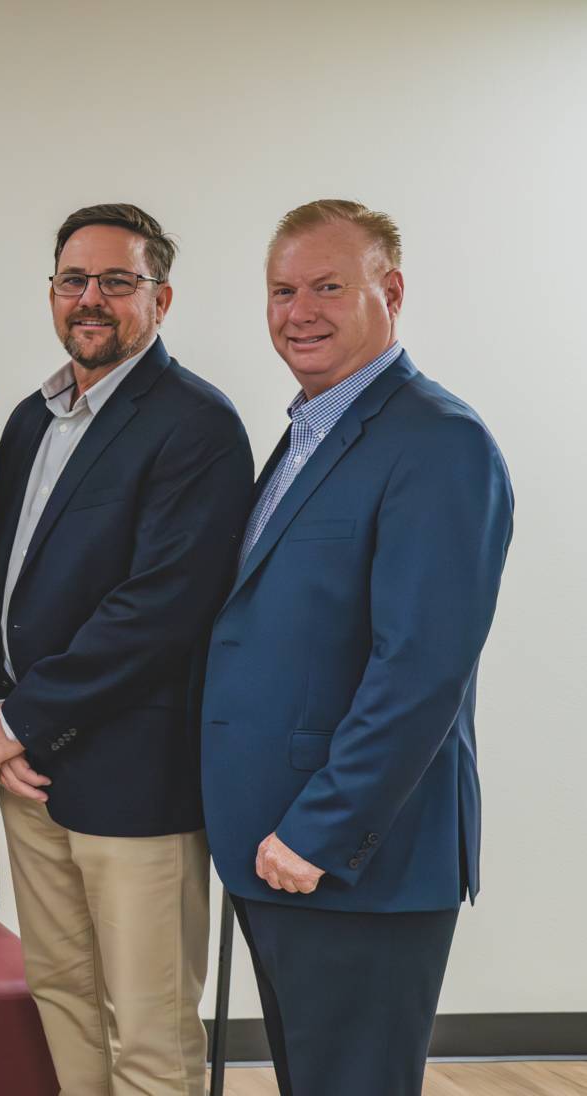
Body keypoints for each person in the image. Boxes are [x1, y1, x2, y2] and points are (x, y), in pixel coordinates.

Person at [203, 199, 512, 1096]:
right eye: (282, 291)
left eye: (328, 287)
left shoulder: (440, 440)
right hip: (277, 849)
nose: (300, 311)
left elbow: (421, 670)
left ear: (392, 292)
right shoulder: (310, 431)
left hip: (351, 859)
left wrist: (320, 831)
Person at [0, 204, 252, 1095]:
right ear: (52, 292)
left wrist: (21, 717)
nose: (91, 298)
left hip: (135, 782)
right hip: (31, 777)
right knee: (64, 998)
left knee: (150, 1032)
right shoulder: (31, 419)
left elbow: (160, 608)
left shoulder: (196, 424)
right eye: (74, 280)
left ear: (161, 299)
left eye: (117, 281)